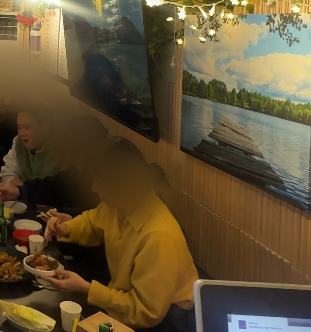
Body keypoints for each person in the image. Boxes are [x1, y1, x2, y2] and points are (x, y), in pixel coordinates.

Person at [44, 137, 198, 332]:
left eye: (100, 181)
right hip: (125, 302)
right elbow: (92, 221)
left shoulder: (159, 236)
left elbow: (144, 311)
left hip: (166, 321)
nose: (94, 188)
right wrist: (67, 228)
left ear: (124, 184)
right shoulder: (120, 204)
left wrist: (87, 289)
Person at [0, 103, 66, 203]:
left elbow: (65, 187)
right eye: (19, 128)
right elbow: (8, 172)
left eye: (27, 128)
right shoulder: (18, 142)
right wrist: (22, 191)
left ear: (46, 126)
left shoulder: (63, 149)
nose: (21, 133)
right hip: (26, 203)